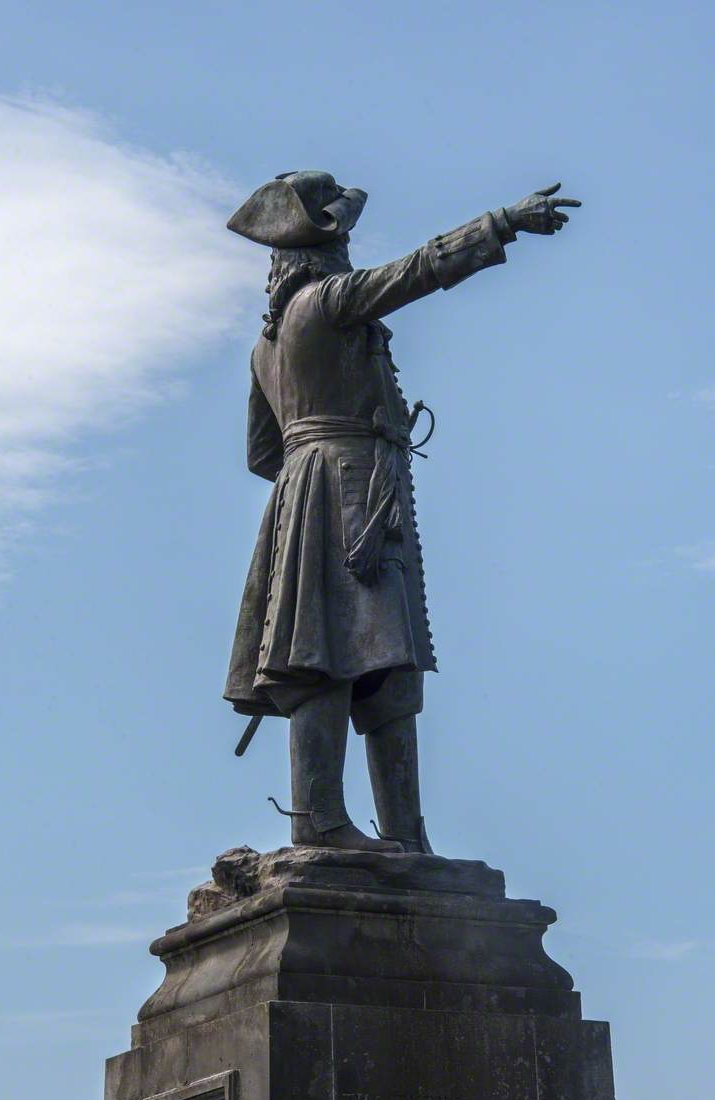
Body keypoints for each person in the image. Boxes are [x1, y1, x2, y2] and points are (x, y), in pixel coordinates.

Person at [224, 170, 580, 853]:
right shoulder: (329, 302)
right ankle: (327, 823)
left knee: (378, 656)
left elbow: (262, 454)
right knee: (329, 657)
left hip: (311, 487)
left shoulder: (264, 346)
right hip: (352, 489)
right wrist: (502, 222)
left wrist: (307, 478)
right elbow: (418, 271)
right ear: (320, 248)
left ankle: (400, 834)